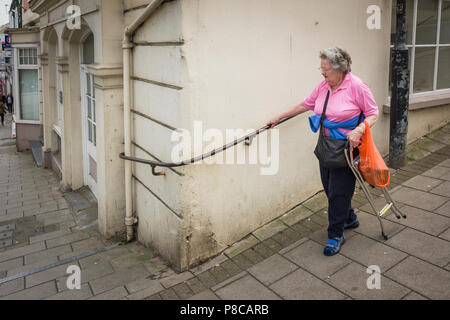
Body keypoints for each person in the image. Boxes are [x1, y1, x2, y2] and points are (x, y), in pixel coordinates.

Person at [267, 47, 379, 256]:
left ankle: (335, 235)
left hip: (347, 148)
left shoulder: (357, 86)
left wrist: (359, 129)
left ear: (340, 69)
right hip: (326, 147)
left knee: (338, 193)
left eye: (326, 69)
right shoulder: (324, 87)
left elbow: (373, 113)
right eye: (322, 68)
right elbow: (305, 105)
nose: (322, 72)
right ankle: (349, 218)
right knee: (330, 189)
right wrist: (279, 117)